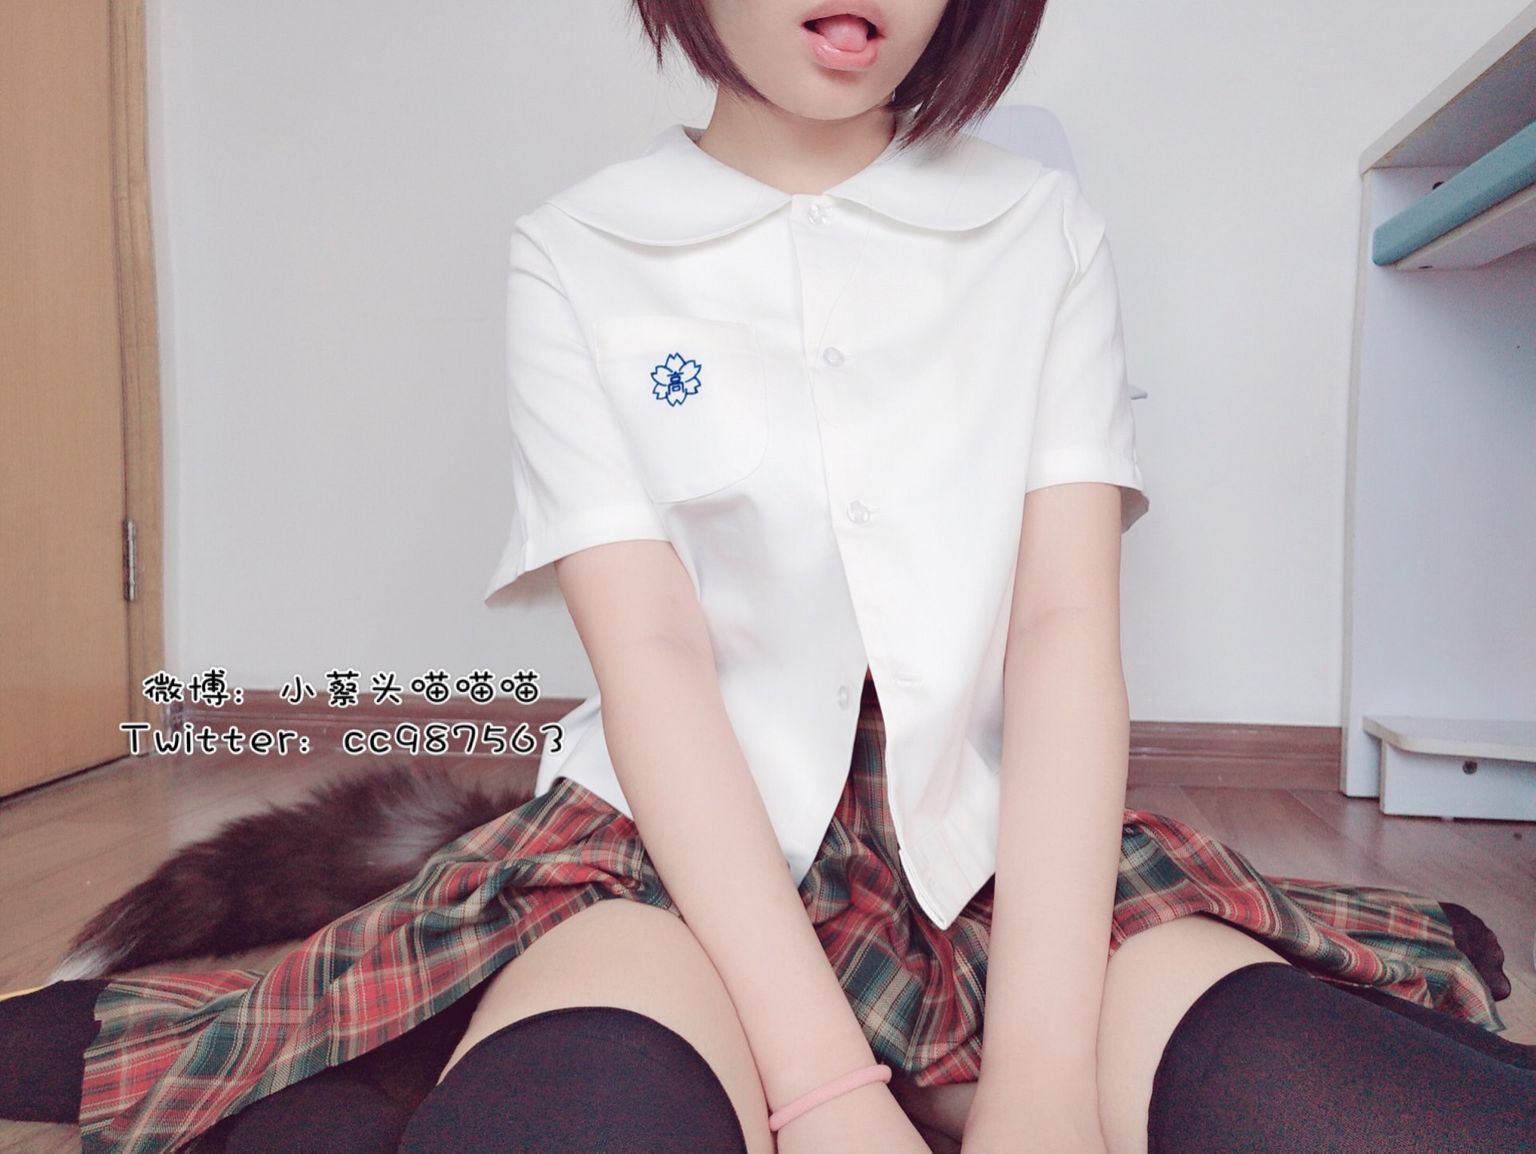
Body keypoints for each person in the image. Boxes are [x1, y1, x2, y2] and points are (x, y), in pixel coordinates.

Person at [2, 2, 1532, 1151]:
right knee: (572, 1105)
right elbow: (656, 663)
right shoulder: (580, 250)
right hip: (670, 852)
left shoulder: (1037, 228)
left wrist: (1044, 1082)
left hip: (992, 850)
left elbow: (1065, 630)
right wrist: (825, 1094)